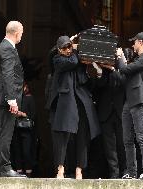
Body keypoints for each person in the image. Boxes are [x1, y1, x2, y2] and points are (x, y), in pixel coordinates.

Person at [50, 35, 100, 179]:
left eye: (69, 47)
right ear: (59, 50)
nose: (67, 50)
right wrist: (76, 48)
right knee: (63, 135)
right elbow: (72, 62)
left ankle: (79, 169)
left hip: (81, 101)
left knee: (82, 136)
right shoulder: (57, 59)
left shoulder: (76, 55)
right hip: (67, 102)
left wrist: (80, 49)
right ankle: (60, 168)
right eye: (64, 48)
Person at [0, 21, 25, 177]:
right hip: (5, 99)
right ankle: (4, 167)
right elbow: (8, 75)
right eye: (21, 34)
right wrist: (12, 100)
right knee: (5, 133)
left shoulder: (1, 47)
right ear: (16, 33)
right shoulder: (8, 49)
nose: (21, 36)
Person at [116, 32, 143, 180]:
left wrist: (119, 57)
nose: (133, 45)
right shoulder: (138, 60)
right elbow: (124, 75)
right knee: (127, 139)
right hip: (130, 101)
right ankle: (131, 172)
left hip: (140, 101)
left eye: (134, 42)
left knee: (142, 138)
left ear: (141, 42)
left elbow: (124, 70)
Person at [11, 82, 36, 178]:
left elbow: (33, 115)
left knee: (26, 151)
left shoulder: (30, 98)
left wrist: (22, 114)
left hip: (26, 129)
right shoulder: (15, 99)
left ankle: (28, 173)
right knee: (17, 151)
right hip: (16, 128)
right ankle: (19, 172)